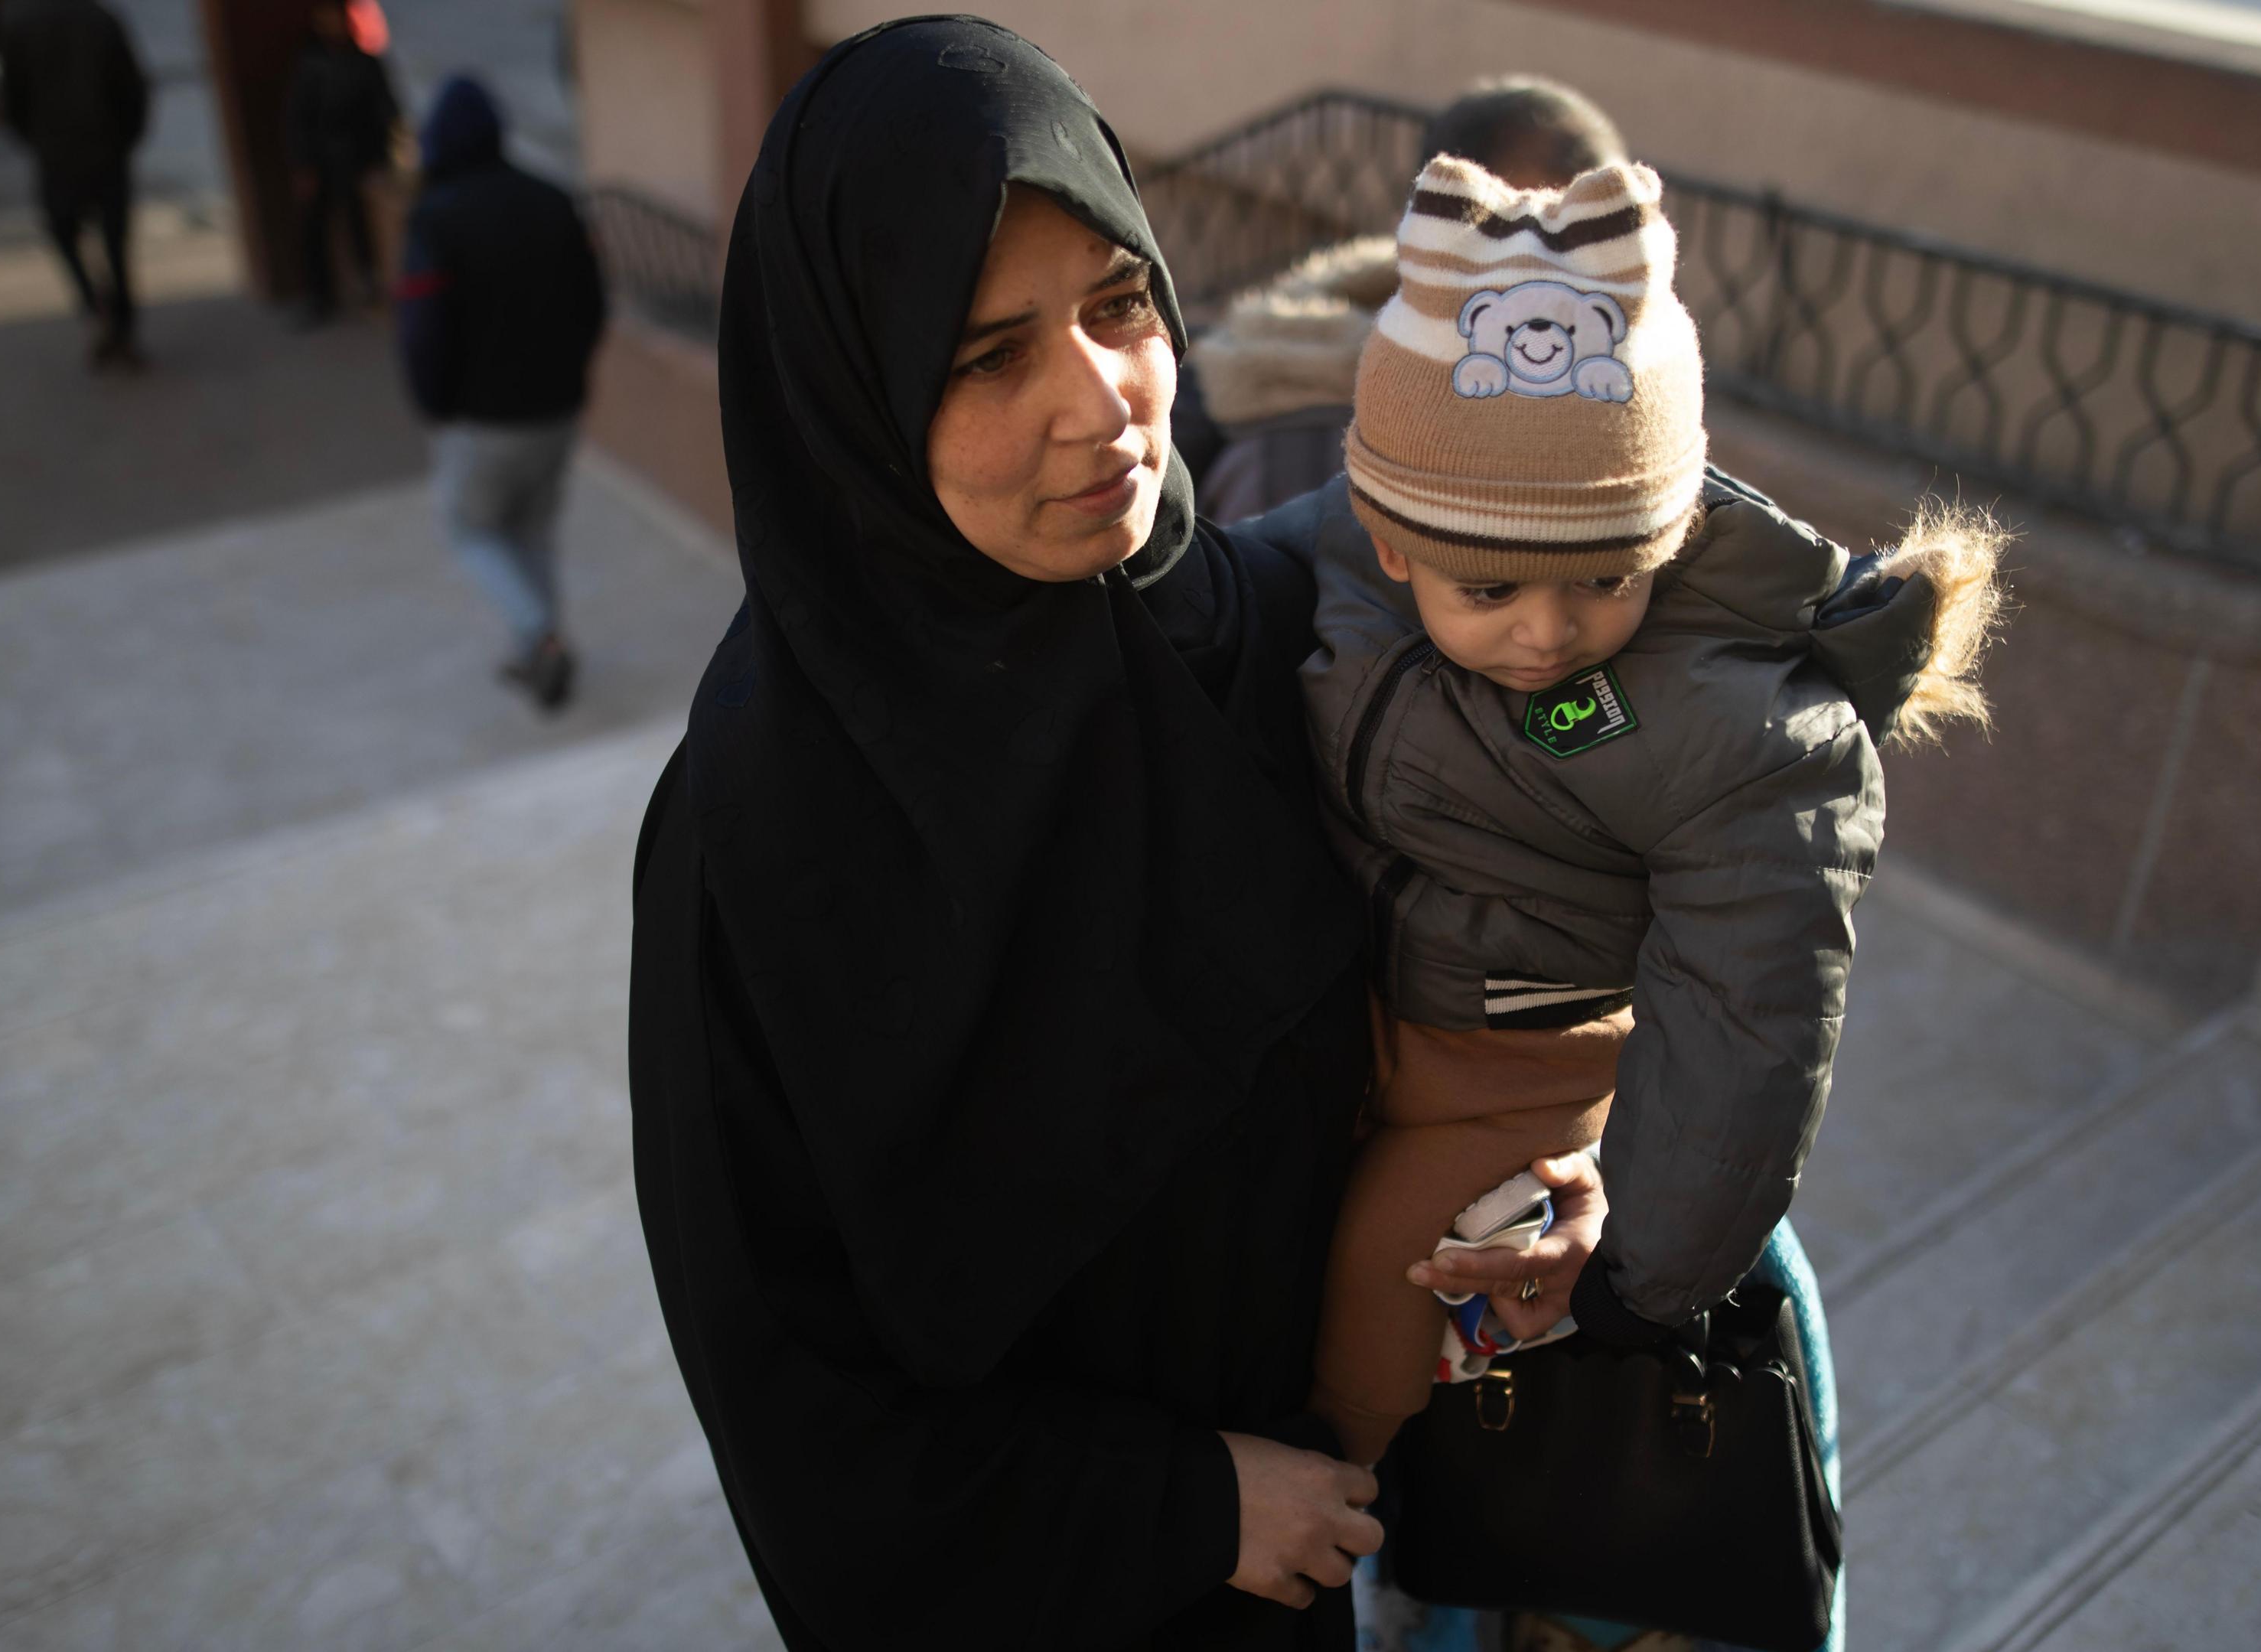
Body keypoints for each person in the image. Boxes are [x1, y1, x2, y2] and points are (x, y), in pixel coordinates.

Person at [627, 20, 1415, 1647]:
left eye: (1119, 306)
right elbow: (792, 1400)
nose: (1102, 405)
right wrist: (1184, 1503)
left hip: (1319, 1568)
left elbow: (1486, 932)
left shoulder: (1261, 635)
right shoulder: (757, 830)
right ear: (850, 400)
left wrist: (1511, 1185)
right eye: (986, 358)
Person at [1272, 155, 2004, 1468]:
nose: (1551, 631)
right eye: (1490, 591)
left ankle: (1352, 1514)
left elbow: (1747, 1029)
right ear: (1391, 540)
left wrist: (1643, 1281)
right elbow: (1229, 572)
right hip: (1352, 1001)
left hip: (1518, 1074)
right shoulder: (1355, 544)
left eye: (1609, 577)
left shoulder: (1743, 732)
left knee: (1378, 1292)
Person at [1182, 76, 1627, 522]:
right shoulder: (1310, 433)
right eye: (1539, 238)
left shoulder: (1611, 396)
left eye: (1608, 236)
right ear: (1433, 224)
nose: (1570, 276)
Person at [394, 75, 604, 711]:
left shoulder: (437, 218)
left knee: (473, 531)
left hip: (481, 421)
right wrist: (571, 376)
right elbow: (592, 304)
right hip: (558, 409)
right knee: (533, 532)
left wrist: (434, 405)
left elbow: (423, 329)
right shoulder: (551, 200)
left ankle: (540, 638)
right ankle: (537, 648)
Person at [0, 0, 148, 370]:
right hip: (104, 148)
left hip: (57, 153)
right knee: (115, 244)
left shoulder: (20, 23)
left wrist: (36, 139)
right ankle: (119, 321)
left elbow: (12, 100)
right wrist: (125, 138)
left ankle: (96, 307)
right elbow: (132, 86)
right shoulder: (99, 18)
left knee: (67, 236)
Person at [283, 0, 396, 324]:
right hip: (321, 159)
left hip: (358, 157)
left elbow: (385, 111)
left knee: (362, 227)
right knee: (313, 230)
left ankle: (370, 285)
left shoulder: (365, 63)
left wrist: (380, 158)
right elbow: (297, 119)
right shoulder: (310, 64)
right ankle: (319, 297)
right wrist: (304, 164)